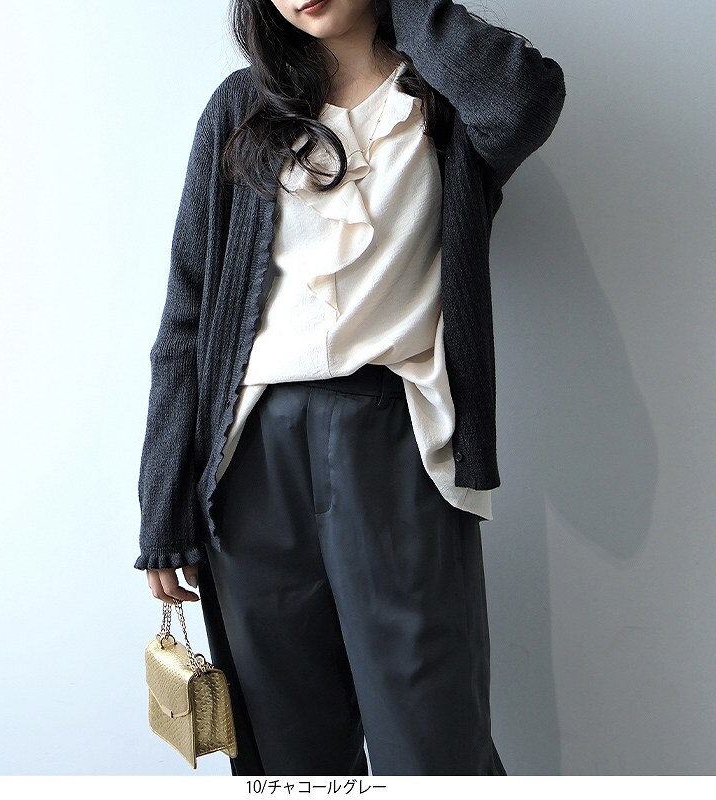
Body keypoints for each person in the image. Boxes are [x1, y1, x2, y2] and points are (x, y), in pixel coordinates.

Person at [135, 0, 565, 776]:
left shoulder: (443, 103)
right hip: (248, 456)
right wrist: (162, 501)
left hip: (398, 439)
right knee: (288, 754)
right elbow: (187, 318)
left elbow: (525, 97)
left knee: (432, 744)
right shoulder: (242, 108)